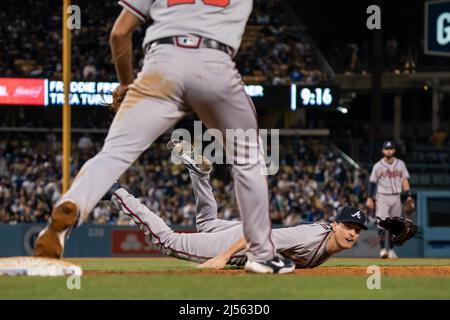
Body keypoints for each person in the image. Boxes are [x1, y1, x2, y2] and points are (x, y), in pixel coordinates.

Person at [34, 0, 287, 273]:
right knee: (248, 157)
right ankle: (261, 254)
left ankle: (69, 208)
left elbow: (119, 33)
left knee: (113, 154)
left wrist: (126, 83)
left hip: (161, 63)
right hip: (216, 63)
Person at [104, 140, 367, 272]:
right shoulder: (311, 237)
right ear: (334, 225)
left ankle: (199, 173)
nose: (353, 233)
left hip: (242, 234)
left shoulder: (326, 241)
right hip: (243, 239)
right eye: (348, 226)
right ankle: (116, 191)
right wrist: (224, 256)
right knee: (167, 241)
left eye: (357, 229)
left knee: (206, 223)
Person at [366, 140, 413, 259]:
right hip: (382, 196)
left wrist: (408, 195)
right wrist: (370, 198)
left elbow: (405, 180)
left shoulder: (400, 164)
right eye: (386, 149)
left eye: (390, 149)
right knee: (382, 223)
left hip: (396, 196)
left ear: (394, 150)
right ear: (383, 151)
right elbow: (372, 183)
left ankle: (391, 250)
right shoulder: (378, 166)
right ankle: (383, 250)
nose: (388, 151)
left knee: (395, 225)